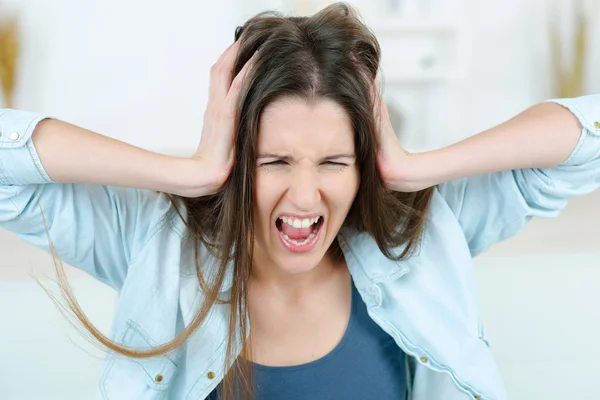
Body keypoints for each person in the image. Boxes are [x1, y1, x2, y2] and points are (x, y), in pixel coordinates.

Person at [1, 3, 598, 400]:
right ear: (236, 160)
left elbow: (587, 142)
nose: (306, 195)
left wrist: (412, 166)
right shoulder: (157, 244)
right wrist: (189, 171)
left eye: (336, 162)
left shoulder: (419, 238)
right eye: (275, 161)